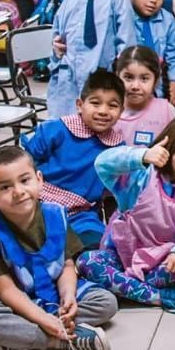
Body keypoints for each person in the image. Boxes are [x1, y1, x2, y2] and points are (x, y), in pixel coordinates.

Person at [0, 146, 117, 350]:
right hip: (3, 299)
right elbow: (6, 290)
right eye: (5, 187)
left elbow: (67, 265)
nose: (18, 191)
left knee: (106, 302)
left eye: (25, 180)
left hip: (50, 292)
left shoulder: (56, 214)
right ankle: (58, 340)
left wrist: (69, 295)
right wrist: (45, 321)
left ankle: (12, 341)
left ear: (39, 180)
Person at [76, 113, 175, 313]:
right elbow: (102, 163)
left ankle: (127, 289)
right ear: (168, 147)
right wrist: (141, 156)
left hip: (162, 262)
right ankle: (161, 297)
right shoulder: (142, 176)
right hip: (122, 256)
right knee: (86, 262)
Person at [21, 69, 126, 248]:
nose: (103, 111)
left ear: (121, 111)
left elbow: (112, 194)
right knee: (25, 245)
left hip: (82, 213)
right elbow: (25, 165)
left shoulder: (118, 148)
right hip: (40, 203)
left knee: (95, 244)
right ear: (79, 105)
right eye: (95, 103)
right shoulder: (56, 129)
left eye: (112, 105)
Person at [48, 0, 136, 118]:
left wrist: (122, 79)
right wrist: (56, 45)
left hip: (101, 76)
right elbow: (58, 28)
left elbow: (127, 42)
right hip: (68, 78)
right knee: (66, 126)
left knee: (97, 126)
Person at [126, 0, 175, 106]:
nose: (154, 0)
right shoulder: (122, 17)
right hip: (130, 89)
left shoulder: (167, 19)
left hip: (162, 88)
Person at [113, 46, 175, 148]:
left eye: (144, 79)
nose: (135, 86)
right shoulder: (109, 111)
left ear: (155, 80)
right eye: (128, 78)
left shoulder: (167, 111)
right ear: (117, 77)